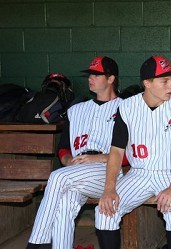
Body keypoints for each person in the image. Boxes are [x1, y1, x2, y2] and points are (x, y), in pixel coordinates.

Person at [95, 56, 171, 249]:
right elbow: (116, 151)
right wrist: (109, 189)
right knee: (105, 211)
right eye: (164, 81)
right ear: (147, 83)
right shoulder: (126, 107)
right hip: (138, 173)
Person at [26, 56, 123, 249]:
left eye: (96, 74)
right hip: (77, 170)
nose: (90, 78)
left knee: (57, 178)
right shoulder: (76, 110)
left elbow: (130, 151)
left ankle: (37, 243)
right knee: (64, 204)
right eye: (90, 74)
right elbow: (63, 148)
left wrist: (99, 157)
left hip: (108, 171)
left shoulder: (127, 108)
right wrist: (68, 160)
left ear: (111, 79)